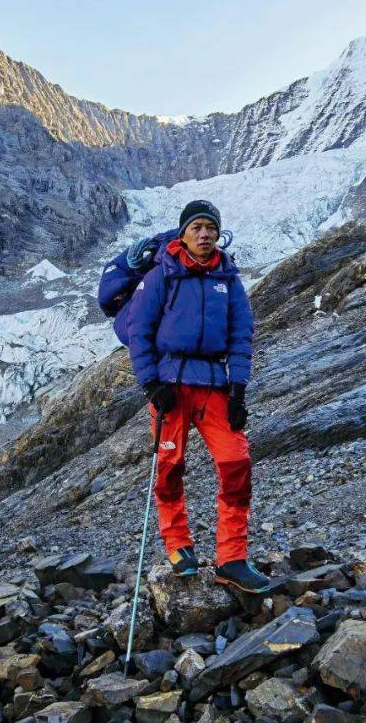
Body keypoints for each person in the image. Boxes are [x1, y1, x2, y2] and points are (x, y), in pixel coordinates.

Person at [127, 199, 270, 594]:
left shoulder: (228, 277)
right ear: (183, 233)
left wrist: (239, 389)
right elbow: (139, 330)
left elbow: (241, 336)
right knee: (170, 466)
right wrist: (151, 384)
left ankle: (232, 558)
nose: (205, 234)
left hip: (214, 386)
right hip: (170, 385)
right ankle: (178, 545)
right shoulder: (162, 274)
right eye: (197, 227)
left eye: (211, 227)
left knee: (236, 462)